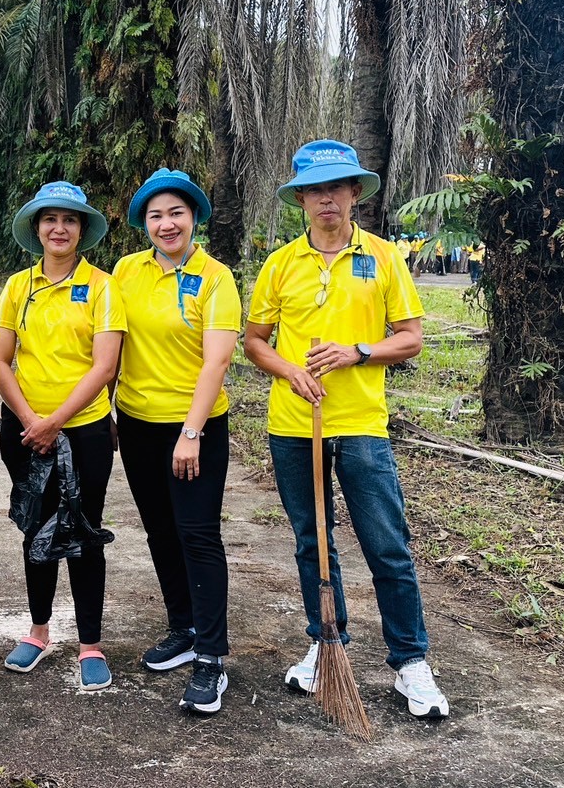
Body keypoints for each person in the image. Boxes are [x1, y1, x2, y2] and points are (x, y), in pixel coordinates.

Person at [243, 138, 448, 720]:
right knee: (314, 543)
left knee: (386, 544)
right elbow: (254, 341)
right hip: (293, 427)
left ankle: (411, 661)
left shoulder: (384, 258)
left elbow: (410, 338)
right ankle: (325, 642)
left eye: (336, 187)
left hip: (360, 424)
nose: (326, 198)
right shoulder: (281, 264)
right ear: (301, 199)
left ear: (355, 193)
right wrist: (289, 371)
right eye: (314, 189)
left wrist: (358, 351)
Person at [112, 169, 241, 714]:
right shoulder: (125, 271)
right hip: (137, 424)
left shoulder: (216, 278)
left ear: (194, 219)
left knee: (197, 535)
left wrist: (190, 432)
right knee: (160, 532)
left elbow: (217, 359)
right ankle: (183, 627)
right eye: (156, 215)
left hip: (196, 429)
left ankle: (211, 658)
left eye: (176, 213)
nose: (167, 224)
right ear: (145, 222)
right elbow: (111, 345)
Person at [0, 182, 125, 691]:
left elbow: (105, 364)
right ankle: (38, 631)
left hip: (85, 430)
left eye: (70, 220)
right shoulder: (17, 287)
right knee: (37, 529)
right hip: (24, 431)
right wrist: (30, 419)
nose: (59, 228)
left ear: (82, 230)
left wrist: (56, 421)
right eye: (49, 219)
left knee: (85, 531)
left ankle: (90, 643)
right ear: (36, 228)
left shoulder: (102, 286)